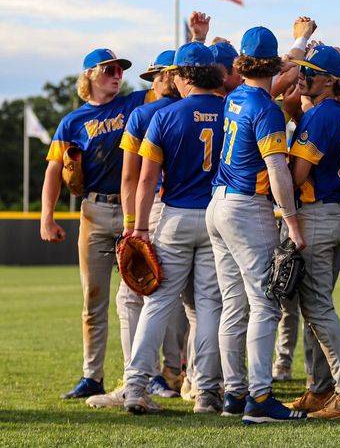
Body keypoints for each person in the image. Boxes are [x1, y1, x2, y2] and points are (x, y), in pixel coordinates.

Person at [206, 25, 308, 423]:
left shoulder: (236, 96)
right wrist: (294, 225)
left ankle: (234, 393)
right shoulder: (265, 107)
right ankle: (260, 398)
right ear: (273, 61)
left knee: (234, 305)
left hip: (218, 204)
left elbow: (275, 74)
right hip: (247, 207)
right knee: (266, 303)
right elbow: (278, 170)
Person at [41, 48, 154, 399]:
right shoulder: (72, 122)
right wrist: (47, 215)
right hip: (94, 210)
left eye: (120, 69)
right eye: (109, 69)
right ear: (89, 74)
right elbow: (54, 170)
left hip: (133, 210)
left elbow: (170, 82)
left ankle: (142, 377)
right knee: (94, 300)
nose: (117, 74)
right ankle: (92, 376)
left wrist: (197, 37)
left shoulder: (135, 102)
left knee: (142, 293)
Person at [122, 42, 225, 415]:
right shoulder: (230, 108)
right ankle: (207, 393)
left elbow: (146, 179)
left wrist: (139, 228)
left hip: (175, 216)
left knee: (158, 303)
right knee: (209, 307)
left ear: (182, 76)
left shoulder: (163, 116)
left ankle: (135, 387)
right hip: (217, 217)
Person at [87, 49, 185, 409]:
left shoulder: (146, 114)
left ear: (173, 75)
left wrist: (133, 227)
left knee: (132, 296)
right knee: (199, 302)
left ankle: (136, 382)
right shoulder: (216, 106)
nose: (155, 80)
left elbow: (132, 178)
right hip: (205, 209)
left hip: (159, 209)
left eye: (159, 73)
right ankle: (206, 385)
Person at [285, 45, 340, 420]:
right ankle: (320, 390)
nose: (302, 76)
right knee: (317, 305)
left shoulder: (321, 116)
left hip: (320, 214)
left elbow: (296, 176)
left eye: (310, 72)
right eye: (302, 70)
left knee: (317, 305)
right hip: (339, 212)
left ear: (331, 80)